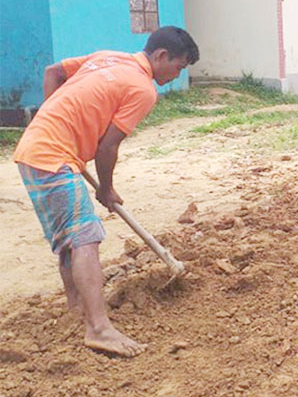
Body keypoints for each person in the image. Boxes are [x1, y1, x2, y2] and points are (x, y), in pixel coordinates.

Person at [13, 26, 199, 357]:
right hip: (53, 157)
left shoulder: (108, 57)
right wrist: (107, 189)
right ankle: (98, 328)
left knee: (70, 238)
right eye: (179, 67)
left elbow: (53, 72)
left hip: (34, 150)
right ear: (161, 56)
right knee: (86, 236)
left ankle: (76, 308)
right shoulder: (143, 89)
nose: (175, 75)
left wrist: (53, 118)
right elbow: (107, 147)